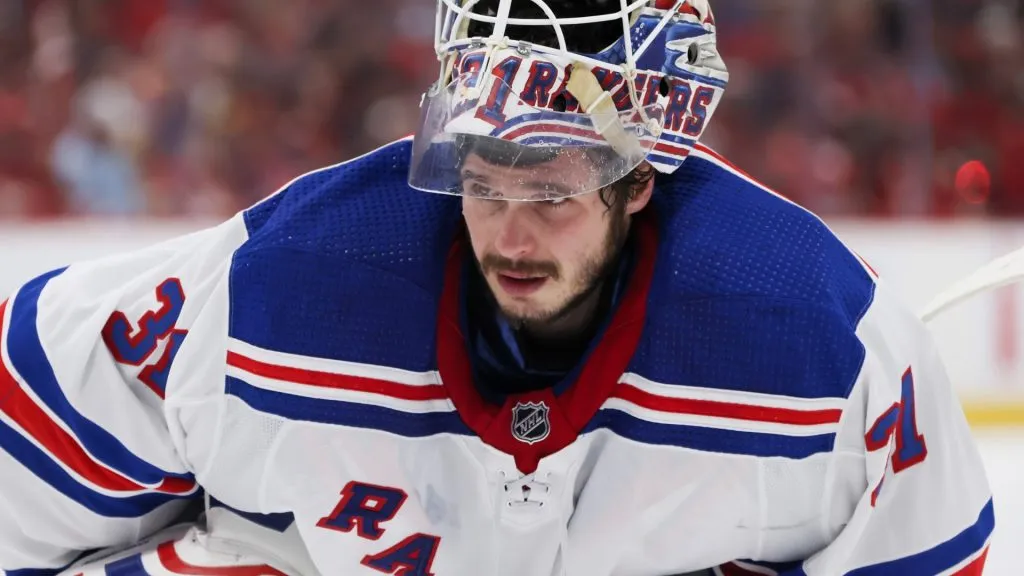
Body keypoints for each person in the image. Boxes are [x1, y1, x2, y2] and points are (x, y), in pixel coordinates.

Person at [0, 1, 993, 575]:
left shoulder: (818, 341)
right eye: (479, 178)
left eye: (553, 190)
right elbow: (31, 405)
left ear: (639, 179)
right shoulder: (282, 287)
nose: (509, 231)